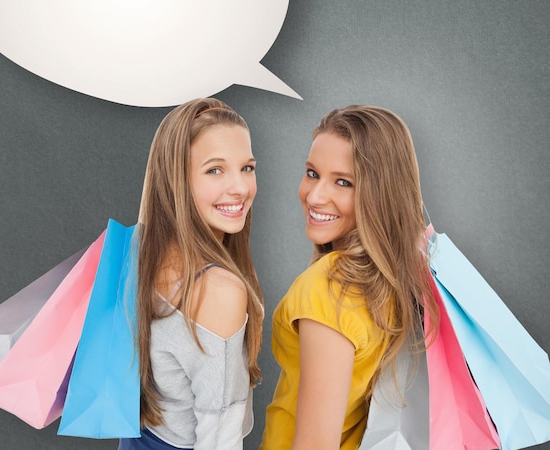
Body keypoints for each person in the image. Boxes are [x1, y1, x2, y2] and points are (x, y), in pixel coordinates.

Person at [259, 105, 439, 450]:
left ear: (379, 196)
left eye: (343, 182)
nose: (315, 196)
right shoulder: (395, 278)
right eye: (312, 173)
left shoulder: (327, 290)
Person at [119, 98, 264, 450]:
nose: (241, 188)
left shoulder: (137, 255)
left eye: (247, 167)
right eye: (215, 170)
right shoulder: (218, 290)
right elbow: (219, 441)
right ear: (176, 181)